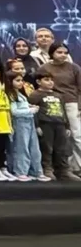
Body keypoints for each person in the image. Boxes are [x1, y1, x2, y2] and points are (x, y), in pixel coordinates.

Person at [39, 43, 81, 175]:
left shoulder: (74, 67)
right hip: (52, 103)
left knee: (76, 135)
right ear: (52, 53)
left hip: (71, 102)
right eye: (59, 52)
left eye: (65, 53)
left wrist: (79, 106)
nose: (63, 55)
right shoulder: (44, 68)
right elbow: (40, 85)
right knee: (59, 137)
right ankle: (60, 167)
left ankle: (78, 166)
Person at [30, 69, 77, 181]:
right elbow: (33, 111)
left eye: (51, 80)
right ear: (38, 81)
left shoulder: (58, 95)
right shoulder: (35, 95)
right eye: (46, 80)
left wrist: (67, 126)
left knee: (62, 148)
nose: (50, 82)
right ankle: (47, 169)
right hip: (45, 124)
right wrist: (36, 126)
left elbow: (63, 111)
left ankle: (63, 170)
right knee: (47, 147)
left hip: (59, 124)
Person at [7, 72, 41, 182]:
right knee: (22, 147)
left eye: (22, 80)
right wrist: (29, 110)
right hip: (20, 123)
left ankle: (35, 171)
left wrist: (29, 106)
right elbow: (14, 111)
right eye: (17, 80)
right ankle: (20, 171)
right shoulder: (11, 94)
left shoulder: (21, 94)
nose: (21, 82)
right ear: (10, 81)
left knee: (34, 147)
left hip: (29, 121)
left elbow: (21, 106)